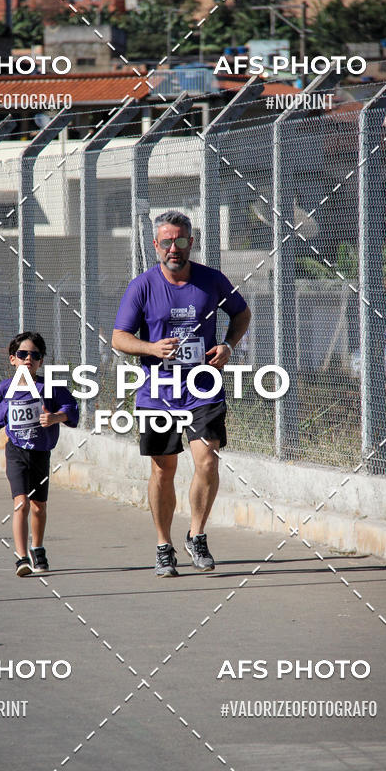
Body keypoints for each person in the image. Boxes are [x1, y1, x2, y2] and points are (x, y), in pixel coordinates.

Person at [112, 211, 251, 578]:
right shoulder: (142, 286)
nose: (174, 248)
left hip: (202, 388)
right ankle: (163, 545)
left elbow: (241, 313)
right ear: (155, 245)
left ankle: (197, 535)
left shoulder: (211, 280)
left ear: (192, 242)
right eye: (167, 242)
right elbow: (119, 338)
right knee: (163, 469)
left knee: (207, 461)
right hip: (157, 393)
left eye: (181, 240)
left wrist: (227, 346)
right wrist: (151, 348)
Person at [0, 332, 79, 578]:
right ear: (13, 359)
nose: (28, 360)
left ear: (41, 361)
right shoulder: (6, 387)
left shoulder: (50, 387)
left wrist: (56, 417)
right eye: (23, 354)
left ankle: (38, 547)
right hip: (15, 451)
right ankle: (22, 557)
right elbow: (2, 414)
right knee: (21, 503)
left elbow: (72, 408)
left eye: (34, 355)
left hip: (40, 453)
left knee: (38, 507)